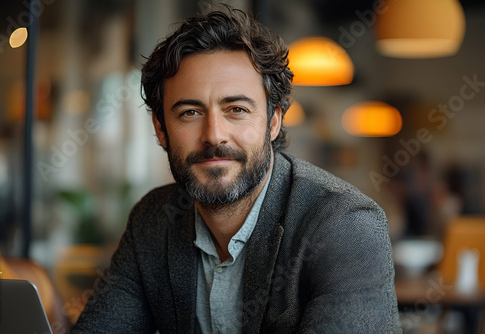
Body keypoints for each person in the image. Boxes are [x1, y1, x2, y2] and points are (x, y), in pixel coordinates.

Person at [71, 6, 401, 333]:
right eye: (190, 112)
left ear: (273, 122)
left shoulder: (344, 225)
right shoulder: (154, 220)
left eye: (237, 109)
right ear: (160, 129)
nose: (214, 134)